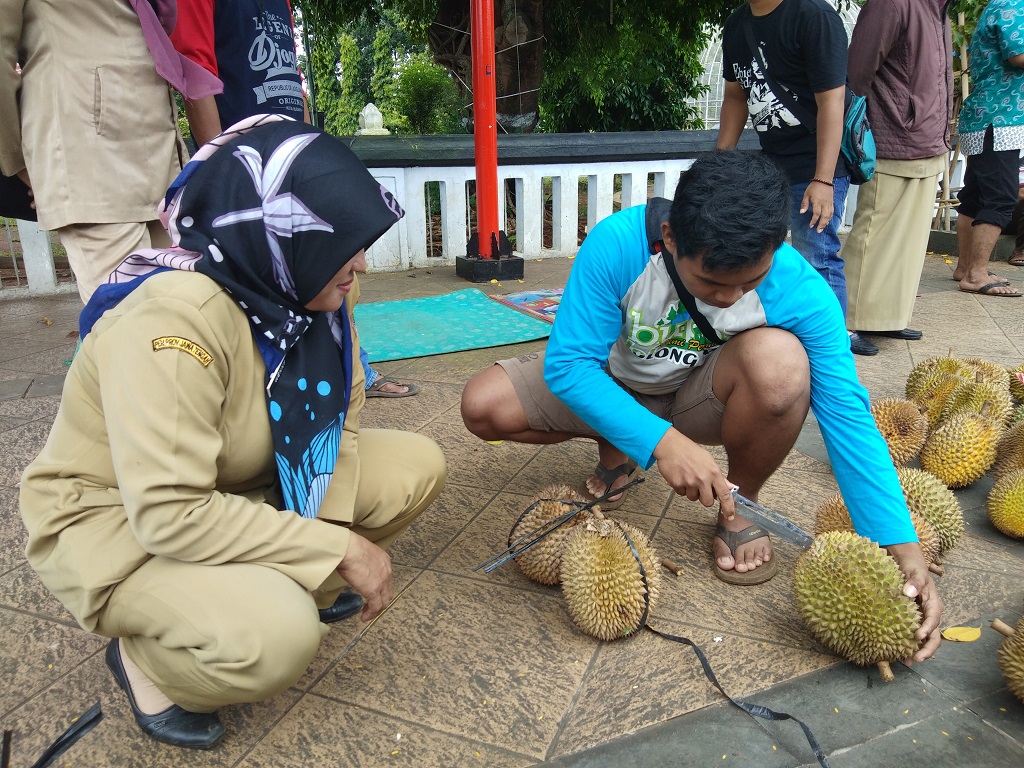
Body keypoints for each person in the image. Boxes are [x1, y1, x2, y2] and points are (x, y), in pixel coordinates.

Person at [19, 116, 447, 749]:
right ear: (276, 234)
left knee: (416, 464)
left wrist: (319, 539)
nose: (359, 262)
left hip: (238, 484)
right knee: (279, 635)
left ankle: (279, 577)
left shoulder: (312, 289)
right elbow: (168, 512)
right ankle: (145, 662)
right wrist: (337, 550)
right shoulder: (173, 323)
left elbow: (342, 417)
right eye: (342, 244)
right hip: (123, 523)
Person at [460, 151, 942, 661]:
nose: (731, 298)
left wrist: (899, 542)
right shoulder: (619, 245)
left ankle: (739, 504)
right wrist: (660, 443)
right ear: (670, 237)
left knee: (782, 367)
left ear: (776, 248)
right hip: (610, 378)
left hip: (697, 394)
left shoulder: (803, 291)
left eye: (749, 282)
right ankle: (617, 436)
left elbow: (847, 413)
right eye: (711, 283)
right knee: (483, 406)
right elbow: (569, 366)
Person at [171, 0, 419, 398]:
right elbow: (196, 72)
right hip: (247, 173)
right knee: (273, 287)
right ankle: (257, 385)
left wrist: (310, 159)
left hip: (289, 161)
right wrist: (221, 173)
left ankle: (349, 367)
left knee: (336, 281)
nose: (366, 263)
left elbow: (291, 80)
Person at [0, 0, 199, 303]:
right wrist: (22, 165)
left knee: (184, 314)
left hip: (161, 156)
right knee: (129, 324)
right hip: (88, 152)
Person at [716, 0, 869, 354]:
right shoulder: (737, 24)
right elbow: (735, 96)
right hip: (771, 163)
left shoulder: (813, 17)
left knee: (817, 254)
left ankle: (831, 348)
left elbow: (833, 100)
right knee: (754, 253)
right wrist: (718, 167)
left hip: (817, 164)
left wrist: (824, 180)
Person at [841, 0, 954, 355]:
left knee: (910, 239)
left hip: (928, 136)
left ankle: (886, 317)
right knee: (873, 233)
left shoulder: (939, 8)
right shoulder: (891, 3)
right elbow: (856, 75)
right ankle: (845, 322)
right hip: (891, 136)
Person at [950, 0, 1024, 298]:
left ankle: (965, 267)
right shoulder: (1015, 4)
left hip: (986, 116)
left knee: (976, 194)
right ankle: (976, 273)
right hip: (1000, 118)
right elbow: (1017, 54)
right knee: (1001, 195)